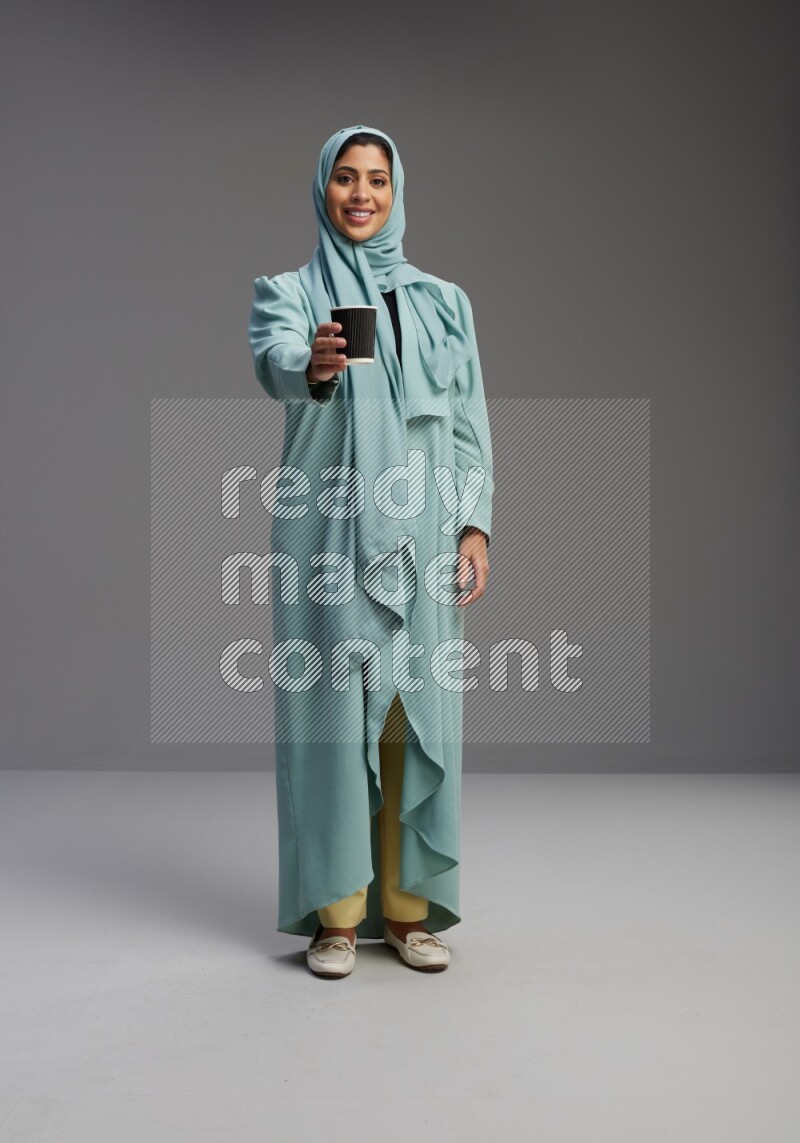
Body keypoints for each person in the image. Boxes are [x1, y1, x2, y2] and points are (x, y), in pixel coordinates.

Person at [248, 125, 493, 978]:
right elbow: (275, 362)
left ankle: (407, 913)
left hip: (422, 538)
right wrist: (314, 365)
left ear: (396, 192)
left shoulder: (442, 302)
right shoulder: (289, 291)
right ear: (323, 189)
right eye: (347, 178)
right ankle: (336, 917)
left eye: (378, 180)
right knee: (328, 721)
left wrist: (473, 525)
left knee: (409, 718)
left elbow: (467, 427)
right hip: (324, 534)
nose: (362, 194)